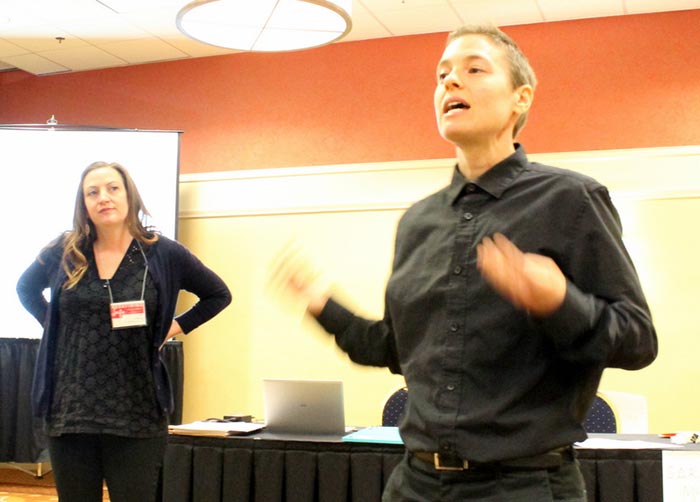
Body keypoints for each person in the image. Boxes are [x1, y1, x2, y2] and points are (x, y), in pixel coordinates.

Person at [272, 24, 658, 501]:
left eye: (474, 69)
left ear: (521, 98)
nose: (450, 83)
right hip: (414, 483)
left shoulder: (572, 200)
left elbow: (638, 340)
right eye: (442, 75)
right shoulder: (418, 222)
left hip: (524, 486)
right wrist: (324, 306)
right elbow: (397, 349)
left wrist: (560, 301)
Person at [16, 161, 232, 502]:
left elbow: (218, 295)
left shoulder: (163, 253)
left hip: (137, 410)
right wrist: (55, 326)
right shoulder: (64, 250)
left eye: (113, 188)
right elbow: (25, 288)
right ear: (83, 203)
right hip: (72, 411)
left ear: (129, 194)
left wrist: (171, 328)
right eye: (93, 192)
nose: (104, 197)